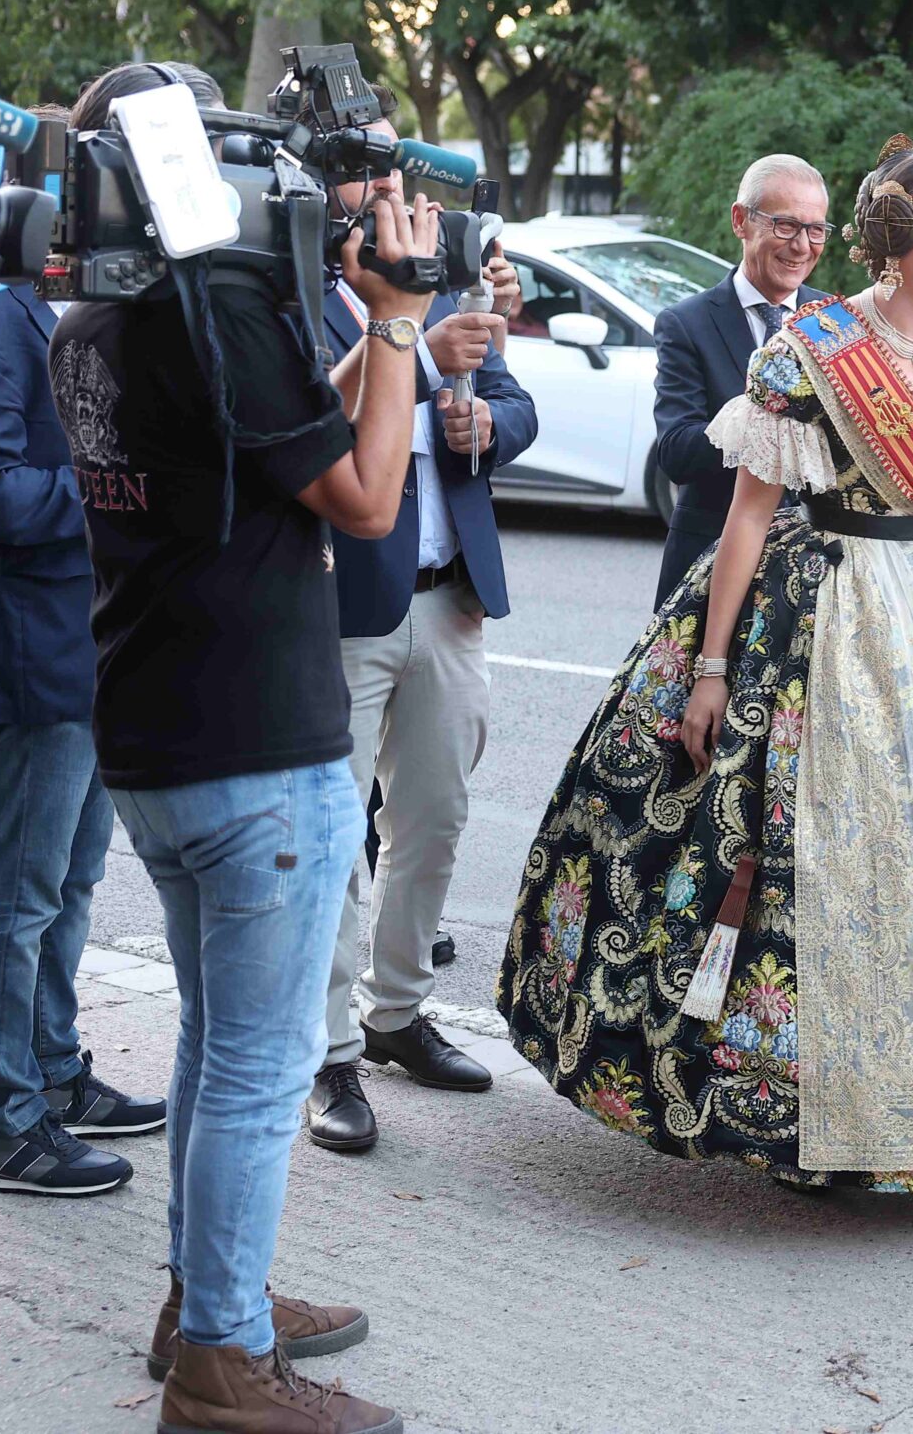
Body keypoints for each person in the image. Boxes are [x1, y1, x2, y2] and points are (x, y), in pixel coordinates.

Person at [498, 135, 913, 1194]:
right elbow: (744, 520)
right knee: (832, 871)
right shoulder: (813, 351)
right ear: (897, 237)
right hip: (832, 615)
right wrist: (712, 666)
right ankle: (827, 1115)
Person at [51, 59, 417, 1434]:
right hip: (258, 748)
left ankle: (213, 1293)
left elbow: (268, 440)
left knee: (220, 1046)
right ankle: (221, 1357)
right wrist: (393, 321)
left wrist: (367, 346)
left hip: (153, 734)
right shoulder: (222, 301)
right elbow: (365, 497)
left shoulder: (93, 311)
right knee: (259, 1068)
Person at [0, 257, 165, 1198]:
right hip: (27, 651)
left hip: (84, 644)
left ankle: (54, 1071)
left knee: (70, 879)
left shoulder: (72, 315)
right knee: (18, 895)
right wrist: (118, 486)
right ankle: (3, 1123)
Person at [306, 219, 535, 1155]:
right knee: (329, 837)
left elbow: (516, 406)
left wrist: (484, 420)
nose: (400, 210)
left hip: (449, 600)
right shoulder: (303, 302)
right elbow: (306, 432)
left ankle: (397, 1009)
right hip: (344, 600)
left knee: (435, 817)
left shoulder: (450, 288)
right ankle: (327, 1051)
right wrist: (422, 365)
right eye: (375, 193)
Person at [648, 155, 832, 605]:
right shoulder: (685, 323)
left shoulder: (834, 321)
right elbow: (676, 453)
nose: (802, 246)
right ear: (741, 221)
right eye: (785, 225)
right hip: (709, 558)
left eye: (815, 230)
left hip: (815, 565)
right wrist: (765, 413)